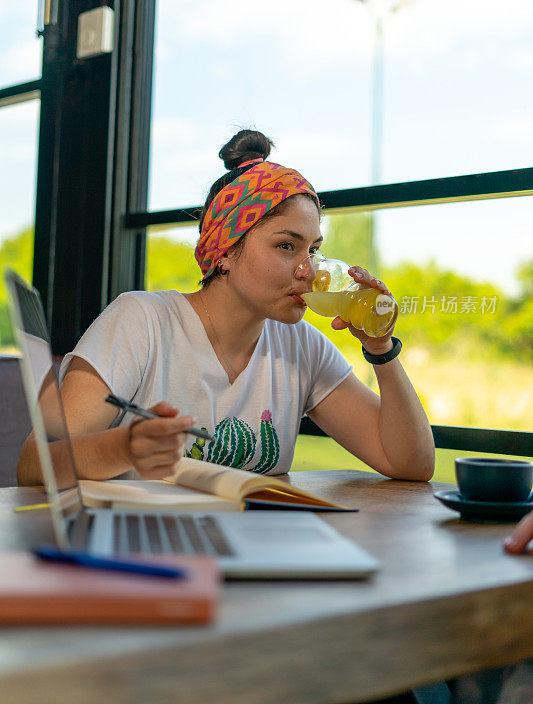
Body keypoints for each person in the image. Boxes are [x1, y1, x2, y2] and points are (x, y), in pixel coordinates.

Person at [17, 129, 435, 486]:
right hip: (144, 554)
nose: (309, 271)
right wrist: (123, 448)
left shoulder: (301, 346)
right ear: (225, 252)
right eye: (286, 246)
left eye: (314, 249)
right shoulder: (142, 321)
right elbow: (34, 464)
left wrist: (381, 349)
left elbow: (409, 463)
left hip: (255, 558)